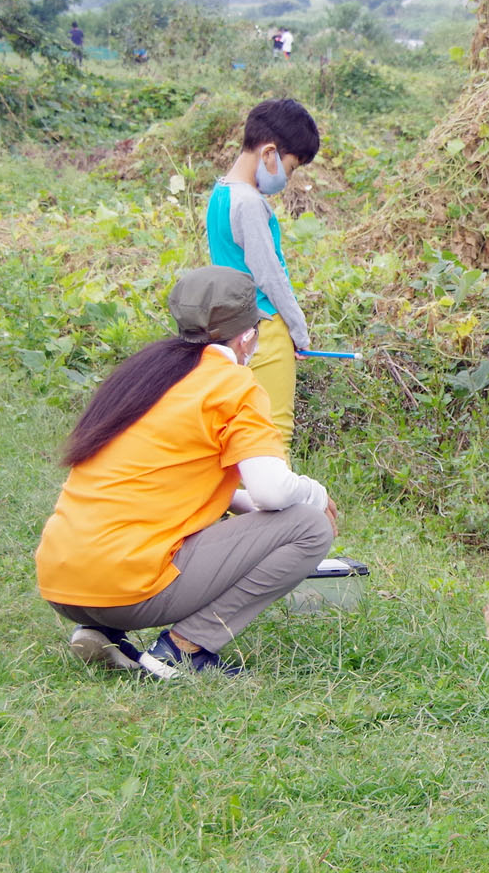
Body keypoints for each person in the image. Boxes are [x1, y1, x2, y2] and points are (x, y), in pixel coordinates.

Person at [35, 266, 337, 677]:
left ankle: (102, 630)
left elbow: (171, 475)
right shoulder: (234, 386)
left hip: (61, 581)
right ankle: (185, 649)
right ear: (248, 336)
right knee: (310, 525)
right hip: (126, 588)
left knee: (269, 516)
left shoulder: (142, 375)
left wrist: (259, 521)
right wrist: (316, 496)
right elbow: (271, 491)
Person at [206, 98, 320, 445]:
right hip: (265, 330)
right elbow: (270, 276)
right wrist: (299, 331)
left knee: (235, 436)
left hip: (231, 326)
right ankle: (273, 501)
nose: (289, 177)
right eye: (291, 167)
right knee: (272, 437)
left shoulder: (221, 193)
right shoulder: (250, 204)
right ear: (269, 153)